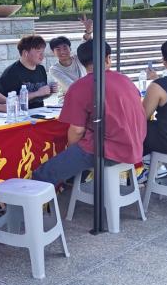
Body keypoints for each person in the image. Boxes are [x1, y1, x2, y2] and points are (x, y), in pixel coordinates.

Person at [32, 40, 146, 186]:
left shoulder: (80, 87)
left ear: (82, 61)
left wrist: (72, 151)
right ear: (108, 58)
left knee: (43, 174)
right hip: (136, 145)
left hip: (105, 150)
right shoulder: (125, 80)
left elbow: (77, 130)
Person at [0, 35, 53, 109]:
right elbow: (5, 101)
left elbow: (40, 96)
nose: (42, 56)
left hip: (40, 111)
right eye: (38, 52)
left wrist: (50, 90)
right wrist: (37, 93)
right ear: (25, 53)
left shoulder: (41, 69)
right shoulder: (10, 74)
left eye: (43, 52)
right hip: (19, 114)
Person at [48, 36, 87, 103]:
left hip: (84, 98)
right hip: (67, 102)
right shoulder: (54, 69)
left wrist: (88, 33)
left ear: (70, 48)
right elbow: (71, 87)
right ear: (53, 52)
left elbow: (84, 46)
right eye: (58, 49)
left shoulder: (77, 58)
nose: (62, 52)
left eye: (65, 48)